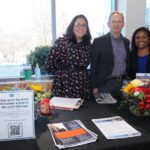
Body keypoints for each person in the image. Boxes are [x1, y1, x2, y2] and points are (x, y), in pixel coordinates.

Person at [47, 14, 92, 100]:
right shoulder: (61, 42)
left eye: (84, 25)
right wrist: (62, 73)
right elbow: (50, 64)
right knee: (63, 112)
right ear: (72, 26)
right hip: (63, 85)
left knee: (82, 112)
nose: (81, 27)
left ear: (87, 29)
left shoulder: (89, 46)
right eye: (78, 24)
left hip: (83, 85)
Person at [91, 11, 130, 100]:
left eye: (119, 21)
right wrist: (94, 86)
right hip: (106, 84)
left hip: (124, 85)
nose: (116, 24)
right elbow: (94, 66)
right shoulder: (99, 41)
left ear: (123, 24)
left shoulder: (127, 42)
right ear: (108, 24)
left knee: (123, 112)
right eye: (113, 21)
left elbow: (127, 63)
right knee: (105, 112)